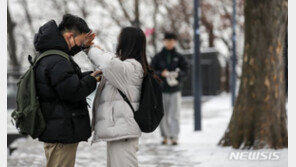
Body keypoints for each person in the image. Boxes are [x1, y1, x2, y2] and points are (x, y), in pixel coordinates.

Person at [34, 14, 100, 167]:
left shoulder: (51, 55)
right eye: (79, 40)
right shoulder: (58, 61)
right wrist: (92, 79)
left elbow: (67, 81)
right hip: (61, 133)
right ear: (70, 36)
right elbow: (73, 91)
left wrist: (89, 75)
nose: (79, 45)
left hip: (56, 129)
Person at [88, 27, 151, 167]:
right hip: (120, 132)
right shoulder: (127, 66)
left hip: (124, 133)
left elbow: (107, 63)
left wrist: (89, 48)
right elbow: (110, 62)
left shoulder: (132, 67)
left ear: (126, 42)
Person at [151, 32, 188, 145]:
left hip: (175, 89)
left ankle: (174, 136)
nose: (169, 43)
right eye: (167, 41)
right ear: (164, 41)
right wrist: (161, 73)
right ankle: (165, 136)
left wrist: (178, 75)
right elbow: (151, 71)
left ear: (175, 42)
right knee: (163, 114)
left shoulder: (179, 57)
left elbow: (186, 70)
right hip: (161, 90)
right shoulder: (157, 57)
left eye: (172, 41)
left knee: (175, 114)